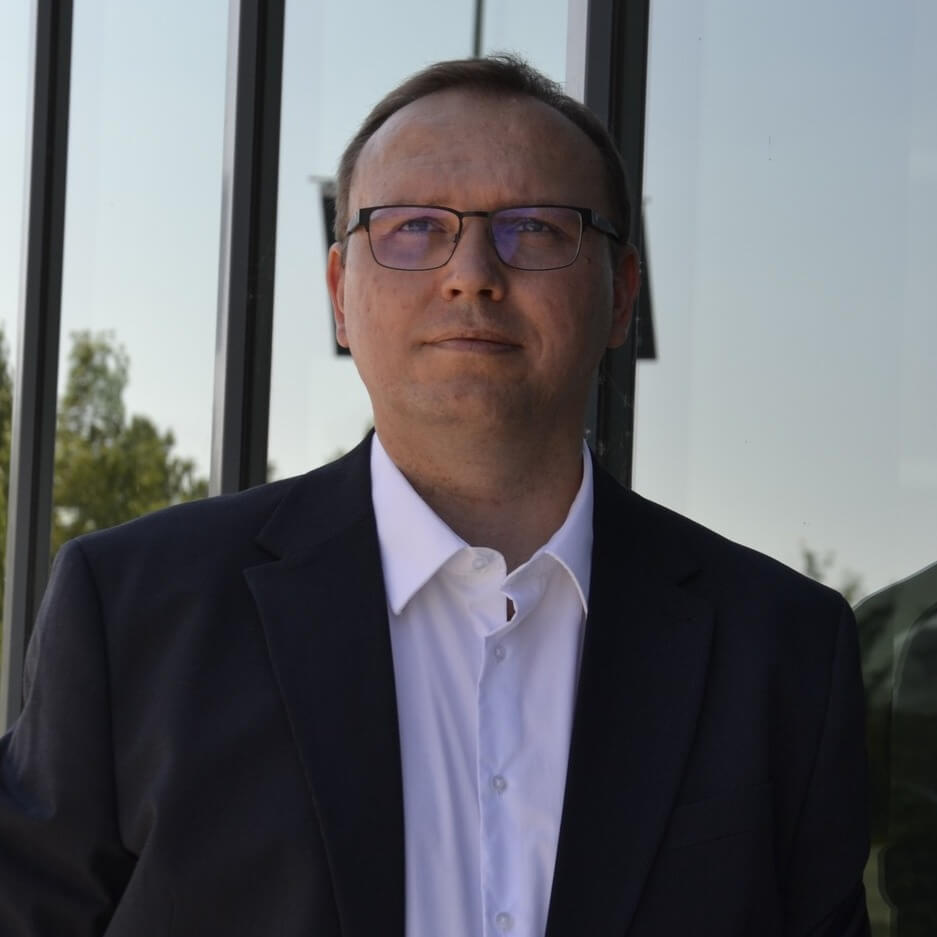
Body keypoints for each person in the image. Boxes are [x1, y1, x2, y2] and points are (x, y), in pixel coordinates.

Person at [0, 55, 870, 937]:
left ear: (621, 297)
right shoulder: (133, 614)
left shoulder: (783, 651)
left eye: (535, 228)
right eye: (413, 227)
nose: (471, 273)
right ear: (340, 296)